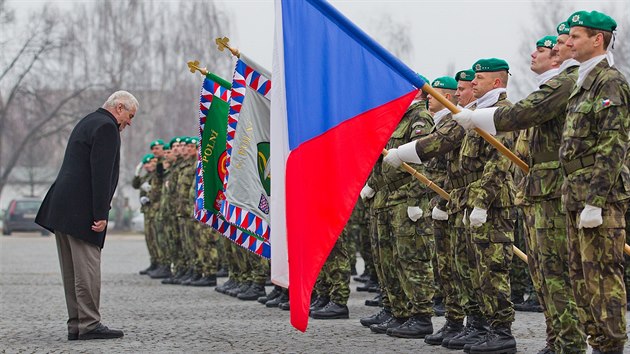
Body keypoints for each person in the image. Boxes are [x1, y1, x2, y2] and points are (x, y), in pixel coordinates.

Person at [453, 28, 584, 354]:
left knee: (555, 274)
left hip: (552, 193)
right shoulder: (552, 86)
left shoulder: (565, 85)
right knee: (542, 273)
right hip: (536, 191)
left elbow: (511, 139)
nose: (533, 55)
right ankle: (557, 341)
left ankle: (568, 344)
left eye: (542, 50)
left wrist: (481, 117)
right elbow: (524, 149)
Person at [35, 90, 139, 340]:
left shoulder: (88, 121)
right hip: (82, 209)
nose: (129, 122)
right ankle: (90, 324)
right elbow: (100, 173)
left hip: (62, 207)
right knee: (87, 270)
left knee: (71, 271)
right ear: (120, 107)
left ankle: (76, 324)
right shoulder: (106, 127)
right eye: (130, 115)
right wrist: (101, 213)